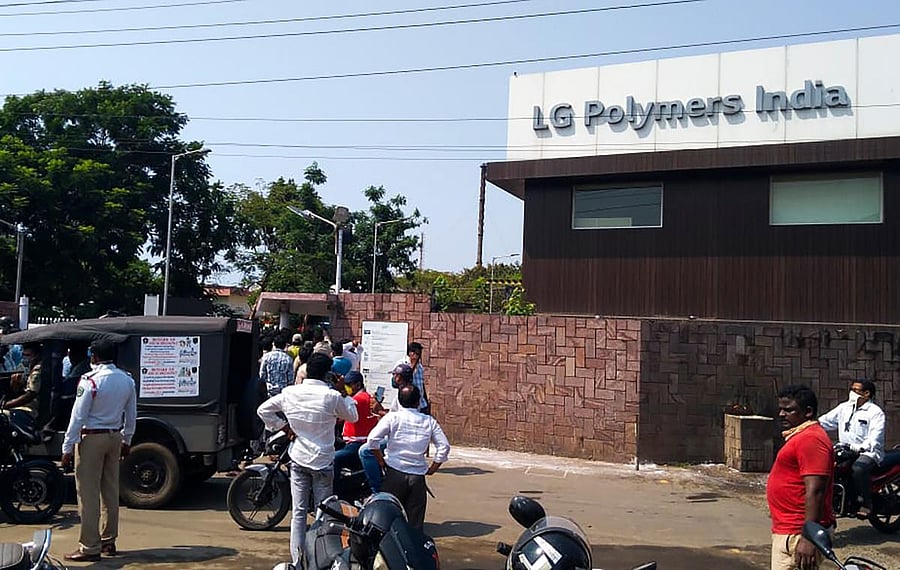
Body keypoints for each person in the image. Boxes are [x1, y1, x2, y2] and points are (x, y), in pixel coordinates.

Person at [257, 352, 358, 566]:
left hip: (298, 458)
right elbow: (353, 416)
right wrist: (344, 392)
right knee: (322, 514)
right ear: (328, 374)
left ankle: (297, 561)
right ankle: (317, 561)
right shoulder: (332, 396)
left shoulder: (290, 392)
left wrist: (283, 427)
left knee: (299, 513)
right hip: (323, 460)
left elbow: (263, 410)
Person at [60, 340, 137, 562]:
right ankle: (108, 541)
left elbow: (78, 417)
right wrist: (127, 439)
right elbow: (131, 414)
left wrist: (67, 447)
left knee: (88, 494)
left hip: (92, 438)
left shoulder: (90, 380)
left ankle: (89, 547)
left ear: (94, 356)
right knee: (110, 491)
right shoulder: (127, 380)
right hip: (115, 436)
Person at [767, 384, 834, 570]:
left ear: (808, 412)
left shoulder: (811, 439)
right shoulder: (800, 436)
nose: (781, 414)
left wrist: (809, 537)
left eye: (789, 410)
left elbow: (816, 490)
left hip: (798, 533)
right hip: (789, 530)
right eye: (781, 409)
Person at [366, 384, 450, 530]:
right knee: (415, 524)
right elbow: (444, 446)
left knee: (388, 520)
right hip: (417, 478)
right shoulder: (429, 421)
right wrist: (433, 468)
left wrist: (380, 460)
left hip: (394, 473)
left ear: (399, 400)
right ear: (418, 402)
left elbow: (372, 440)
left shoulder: (392, 417)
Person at [818, 379, 885, 519]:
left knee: (858, 469)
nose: (852, 392)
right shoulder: (844, 407)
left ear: (866, 393)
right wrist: (809, 426)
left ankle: (866, 503)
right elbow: (826, 421)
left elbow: (875, 436)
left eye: (856, 390)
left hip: (868, 452)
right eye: (852, 389)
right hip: (845, 450)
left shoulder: (875, 412)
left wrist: (863, 446)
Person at [359, 363, 413, 492]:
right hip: (399, 433)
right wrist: (381, 409)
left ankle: (376, 488)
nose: (393, 378)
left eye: (394, 375)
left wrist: (380, 412)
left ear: (399, 377)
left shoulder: (404, 394)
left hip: (399, 436)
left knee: (365, 451)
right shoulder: (406, 391)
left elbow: (399, 417)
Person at [334, 371, 380, 473]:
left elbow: (339, 419)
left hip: (356, 443)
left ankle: (334, 483)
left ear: (358, 385)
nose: (346, 388)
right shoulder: (368, 397)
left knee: (333, 459)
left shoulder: (356, 400)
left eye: (349, 385)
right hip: (358, 441)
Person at [1, 342, 42, 417]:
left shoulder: (38, 369)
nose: (25, 358)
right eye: (24, 355)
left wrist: (6, 405)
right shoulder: (29, 367)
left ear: (36, 355)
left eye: (28, 355)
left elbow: (30, 395)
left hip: (32, 408)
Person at [405, 342, 430, 414]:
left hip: (421, 404)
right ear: (410, 353)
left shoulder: (420, 367)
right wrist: (413, 365)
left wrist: (426, 401)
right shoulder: (403, 364)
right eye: (417, 354)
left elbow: (421, 385)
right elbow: (403, 381)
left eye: (419, 354)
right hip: (409, 405)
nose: (418, 357)